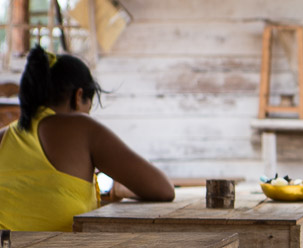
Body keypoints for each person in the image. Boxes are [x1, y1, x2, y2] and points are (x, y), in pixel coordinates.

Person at [0, 46, 174, 232]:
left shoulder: (3, 137)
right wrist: (122, 189)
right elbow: (164, 190)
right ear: (79, 96)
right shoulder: (80, 126)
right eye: (88, 107)